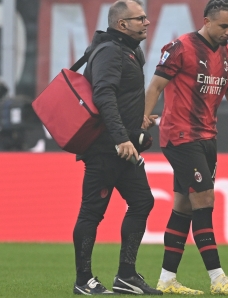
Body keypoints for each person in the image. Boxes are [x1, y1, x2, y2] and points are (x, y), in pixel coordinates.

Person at [143, 0, 228, 295]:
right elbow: (155, 86)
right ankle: (218, 278)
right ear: (206, 21)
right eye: (223, 26)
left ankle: (166, 281)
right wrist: (142, 118)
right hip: (180, 135)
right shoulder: (180, 47)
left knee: (183, 206)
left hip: (207, 137)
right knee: (204, 200)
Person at [72, 0, 161, 295]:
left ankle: (126, 276)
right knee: (91, 213)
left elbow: (121, 97)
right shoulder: (111, 50)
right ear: (122, 24)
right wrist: (122, 137)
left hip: (123, 147)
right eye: (140, 18)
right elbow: (104, 95)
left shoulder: (128, 49)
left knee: (143, 202)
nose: (146, 22)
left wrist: (139, 122)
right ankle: (83, 280)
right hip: (106, 148)